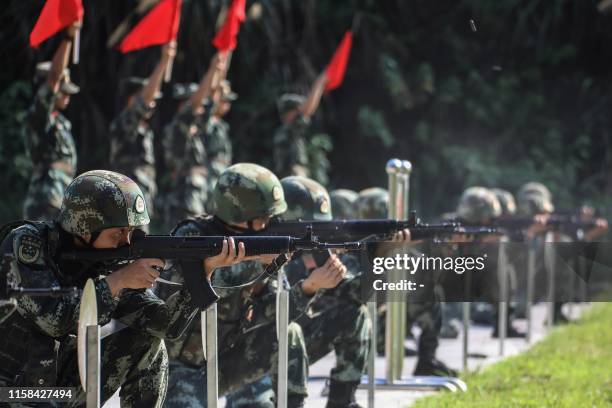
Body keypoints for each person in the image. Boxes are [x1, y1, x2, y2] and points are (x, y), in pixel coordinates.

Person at [0, 170, 238, 406]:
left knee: (150, 344)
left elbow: (166, 326)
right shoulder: (28, 244)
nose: (126, 241)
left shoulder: (106, 261)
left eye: (130, 231)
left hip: (62, 388)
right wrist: (118, 281)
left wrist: (203, 273)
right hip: (14, 393)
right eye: (118, 232)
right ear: (85, 227)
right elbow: (52, 320)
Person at [163, 163, 334, 408]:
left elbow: (271, 313)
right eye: (262, 217)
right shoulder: (191, 237)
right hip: (181, 368)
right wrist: (257, 264)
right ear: (238, 212)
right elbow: (204, 294)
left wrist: (308, 288)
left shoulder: (262, 243)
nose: (268, 223)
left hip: (229, 359)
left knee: (288, 332)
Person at [226, 177, 372, 408]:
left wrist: (383, 252)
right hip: (253, 357)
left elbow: (358, 294)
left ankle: (341, 401)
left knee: (355, 314)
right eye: (312, 228)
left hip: (294, 349)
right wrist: (307, 286)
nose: (320, 235)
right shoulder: (261, 252)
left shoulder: (319, 255)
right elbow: (262, 317)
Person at [357, 187, 456, 376]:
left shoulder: (403, 251)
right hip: (365, 327)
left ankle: (427, 361)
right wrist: (382, 253)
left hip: (388, 326)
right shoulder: (351, 247)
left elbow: (429, 277)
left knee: (430, 293)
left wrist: (444, 250)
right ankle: (353, 370)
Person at [110, 41, 176, 232]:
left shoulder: (141, 128)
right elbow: (144, 101)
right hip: (128, 197)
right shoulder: (124, 122)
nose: (152, 104)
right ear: (132, 99)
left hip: (140, 196)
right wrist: (164, 62)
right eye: (150, 98)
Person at [23, 21, 81, 221]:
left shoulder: (61, 122)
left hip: (62, 200)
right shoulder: (39, 116)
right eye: (62, 91)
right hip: (45, 200)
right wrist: (68, 38)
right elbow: (54, 78)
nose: (67, 96)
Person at [162, 52, 228, 226]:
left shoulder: (196, 128)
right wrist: (212, 69)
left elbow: (211, 101)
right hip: (184, 197)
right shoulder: (178, 126)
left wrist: (219, 70)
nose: (201, 109)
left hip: (198, 193)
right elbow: (195, 105)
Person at [272, 73, 328, 179]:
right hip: (293, 174)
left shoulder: (285, 130)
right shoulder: (290, 129)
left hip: (288, 175)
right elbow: (308, 109)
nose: (301, 114)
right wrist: (320, 84)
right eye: (297, 111)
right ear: (289, 113)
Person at [203, 78, 235, 205]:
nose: (227, 104)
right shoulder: (206, 121)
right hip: (209, 174)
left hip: (222, 173)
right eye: (224, 100)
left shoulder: (222, 125)